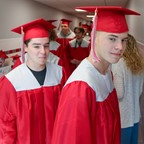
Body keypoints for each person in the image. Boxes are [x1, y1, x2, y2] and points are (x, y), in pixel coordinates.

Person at [52, 6, 140, 144]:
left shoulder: (107, 73)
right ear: (94, 37)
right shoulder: (80, 87)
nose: (120, 47)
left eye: (124, 40)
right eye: (112, 39)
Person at [0, 18, 67, 144]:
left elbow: (66, 113)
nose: (43, 51)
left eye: (46, 46)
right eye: (36, 46)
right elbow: (3, 127)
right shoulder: (11, 81)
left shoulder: (59, 73)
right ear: (25, 48)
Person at [112, 34, 144, 144]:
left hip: (123, 117)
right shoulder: (139, 65)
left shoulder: (118, 64)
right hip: (135, 115)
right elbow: (140, 91)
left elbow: (119, 94)